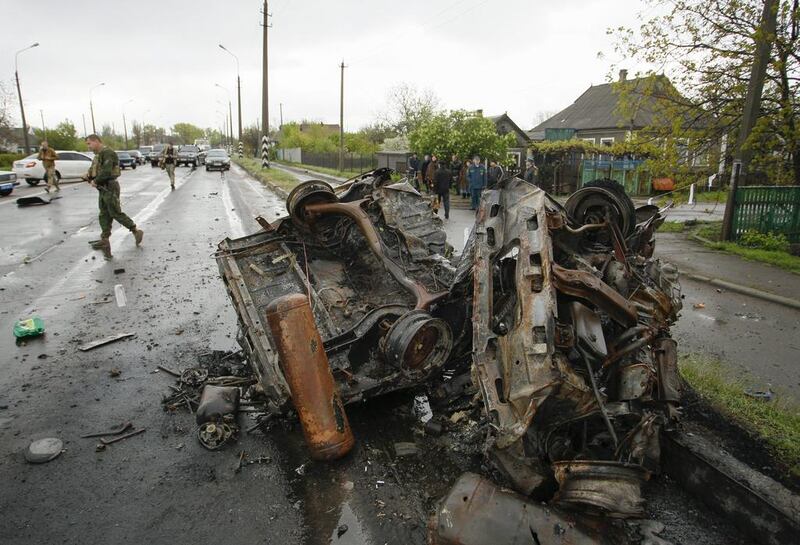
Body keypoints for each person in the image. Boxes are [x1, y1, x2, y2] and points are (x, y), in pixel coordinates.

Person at [83, 134, 143, 259]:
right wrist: (88, 176)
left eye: (89, 144)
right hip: (102, 188)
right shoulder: (98, 155)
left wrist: (96, 181)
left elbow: (106, 171)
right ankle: (105, 239)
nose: (88, 146)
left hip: (110, 186)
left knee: (115, 212)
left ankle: (135, 231)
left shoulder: (107, 153)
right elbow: (94, 169)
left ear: (96, 141)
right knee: (104, 213)